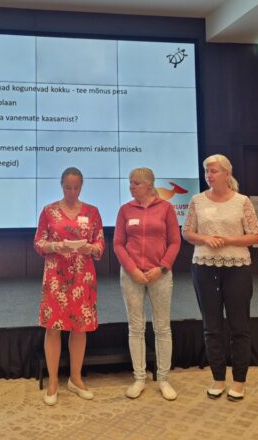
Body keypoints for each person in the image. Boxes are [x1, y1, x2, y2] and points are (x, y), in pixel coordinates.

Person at [182, 154, 258, 401]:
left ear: (227, 174)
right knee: (211, 326)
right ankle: (218, 378)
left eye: (214, 171)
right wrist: (205, 238)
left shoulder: (242, 201)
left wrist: (228, 240)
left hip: (237, 267)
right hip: (204, 266)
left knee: (239, 326)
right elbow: (187, 232)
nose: (209, 175)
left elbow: (255, 235)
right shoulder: (197, 200)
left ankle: (239, 381)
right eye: (207, 171)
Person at [34, 167, 105, 406]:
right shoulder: (49, 211)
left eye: (76, 187)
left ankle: (75, 378)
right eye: (68, 187)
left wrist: (91, 248)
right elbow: (38, 243)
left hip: (83, 276)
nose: (72, 191)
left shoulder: (92, 212)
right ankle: (53, 382)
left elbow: (100, 244)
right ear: (61, 185)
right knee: (53, 327)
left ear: (81, 186)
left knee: (80, 327)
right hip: (56, 277)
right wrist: (54, 246)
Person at [114, 167, 181, 401]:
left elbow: (175, 242)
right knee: (136, 327)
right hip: (131, 276)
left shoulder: (166, 208)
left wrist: (162, 268)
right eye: (130, 183)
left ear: (149, 185)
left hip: (159, 275)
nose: (131, 187)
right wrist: (132, 269)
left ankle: (163, 379)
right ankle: (139, 378)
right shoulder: (125, 210)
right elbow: (118, 244)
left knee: (162, 327)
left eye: (136, 183)